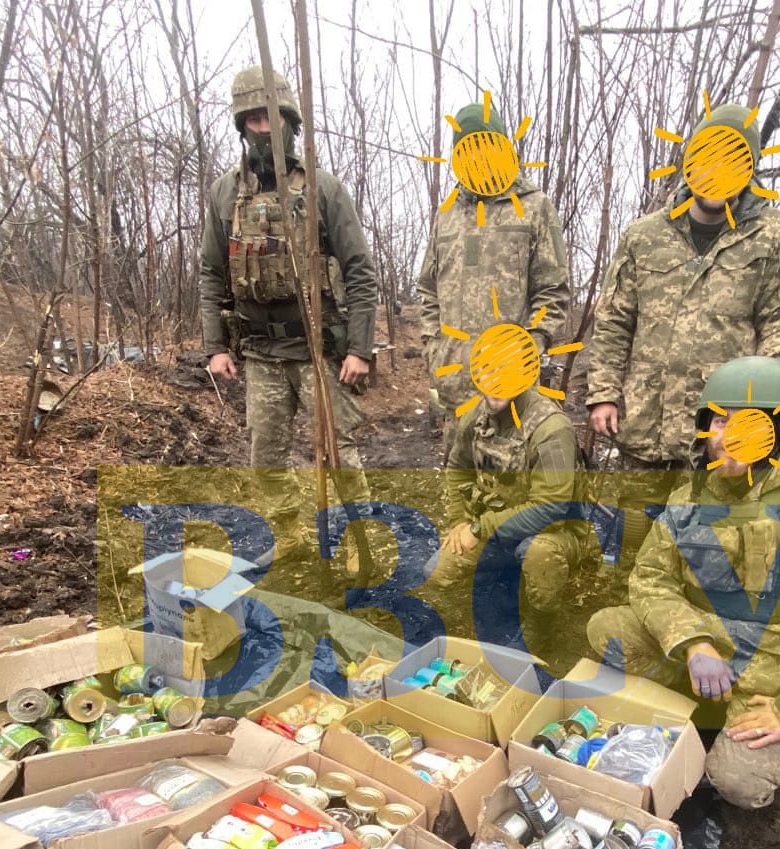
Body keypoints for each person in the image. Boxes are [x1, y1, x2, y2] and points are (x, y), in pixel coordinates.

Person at [587, 356, 780, 808]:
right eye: (720, 422)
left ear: (779, 432)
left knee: (738, 783)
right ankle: (697, 696)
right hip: (704, 648)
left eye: (748, 425)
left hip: (769, 668)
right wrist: (694, 642)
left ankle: (735, 715)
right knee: (607, 630)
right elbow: (650, 578)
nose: (728, 437)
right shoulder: (689, 497)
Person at [586, 103, 780, 563]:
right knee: (633, 543)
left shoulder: (775, 234)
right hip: (644, 422)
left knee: (707, 551)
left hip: (720, 431)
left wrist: (758, 417)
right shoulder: (644, 235)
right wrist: (604, 392)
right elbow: (613, 321)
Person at [199, 67, 379, 561]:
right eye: (253, 120)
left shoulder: (322, 188)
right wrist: (215, 345)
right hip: (261, 351)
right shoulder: (225, 193)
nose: (263, 128)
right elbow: (211, 272)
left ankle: (360, 543)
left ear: (290, 121)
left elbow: (360, 270)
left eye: (271, 117)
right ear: (242, 126)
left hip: (318, 346)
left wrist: (360, 348)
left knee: (339, 452)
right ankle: (289, 539)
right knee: (266, 456)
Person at [416, 100, 572, 451]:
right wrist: (434, 347)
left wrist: (530, 347)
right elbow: (428, 288)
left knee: (514, 483)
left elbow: (553, 290)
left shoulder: (533, 207)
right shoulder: (447, 214)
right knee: (459, 480)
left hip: (513, 395)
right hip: (456, 389)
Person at [431, 387, 593, 665]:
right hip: (499, 528)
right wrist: (460, 521)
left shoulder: (551, 428)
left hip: (555, 533)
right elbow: (458, 467)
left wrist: (479, 529)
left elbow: (550, 509)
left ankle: (540, 627)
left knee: (539, 554)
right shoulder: (476, 415)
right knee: (437, 571)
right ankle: (505, 580)